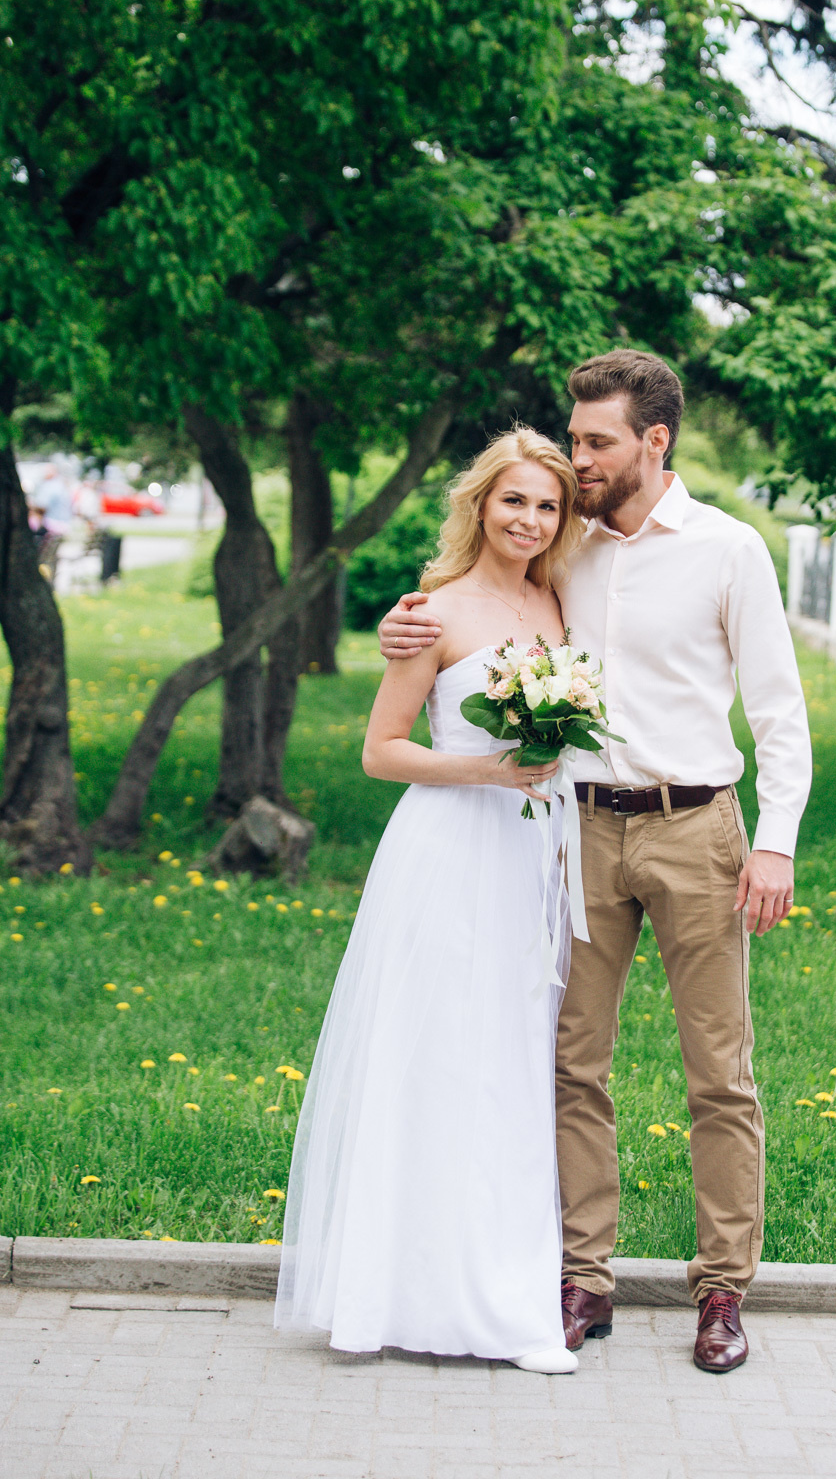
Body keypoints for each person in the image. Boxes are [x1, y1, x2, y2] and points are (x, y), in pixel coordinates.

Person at [379, 349, 812, 1374]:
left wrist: (774, 839)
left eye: (595, 441)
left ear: (653, 442)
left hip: (696, 826)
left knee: (719, 1073)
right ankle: (584, 1275)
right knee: (573, 1060)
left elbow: (777, 711)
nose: (577, 459)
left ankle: (719, 1292)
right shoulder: (564, 550)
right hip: (574, 830)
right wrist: (407, 619)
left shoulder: (727, 550)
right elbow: (477, 606)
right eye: (573, 439)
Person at [275, 428, 585, 1374]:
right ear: (479, 505)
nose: (529, 520)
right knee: (438, 1059)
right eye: (513, 501)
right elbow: (381, 750)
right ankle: (404, 1294)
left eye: (546, 505)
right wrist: (487, 771)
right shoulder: (433, 611)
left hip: (528, 856)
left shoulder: (554, 599)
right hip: (450, 848)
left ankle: (501, 1292)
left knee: (511, 1063)